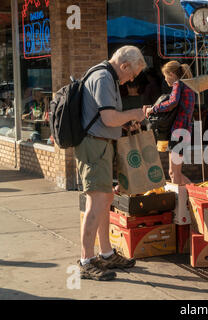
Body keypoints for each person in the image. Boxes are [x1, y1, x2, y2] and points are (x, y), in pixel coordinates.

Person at [75, 45, 147, 281]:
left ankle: (105, 254)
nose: (130, 80)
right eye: (132, 74)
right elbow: (108, 117)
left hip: (100, 143)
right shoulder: (104, 77)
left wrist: (124, 123)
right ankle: (86, 260)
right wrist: (134, 114)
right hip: (94, 145)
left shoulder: (105, 75)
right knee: (97, 201)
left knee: (104, 199)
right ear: (124, 65)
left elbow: (106, 117)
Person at [144, 61, 195, 186]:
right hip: (184, 131)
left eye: (165, 76)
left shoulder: (178, 84)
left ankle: (181, 202)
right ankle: (197, 193)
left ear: (171, 74)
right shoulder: (189, 86)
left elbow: (172, 102)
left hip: (178, 131)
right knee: (175, 172)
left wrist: (153, 109)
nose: (165, 79)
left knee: (174, 173)